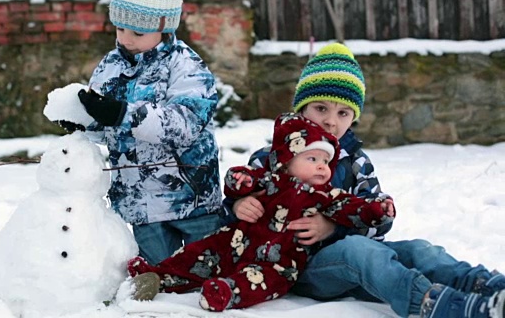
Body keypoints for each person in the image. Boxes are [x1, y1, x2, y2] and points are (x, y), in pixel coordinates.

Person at [225, 42, 505, 318]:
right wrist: (239, 204)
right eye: (320, 108)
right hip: (297, 267)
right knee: (360, 252)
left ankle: (488, 286)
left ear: (353, 117)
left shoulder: (356, 161)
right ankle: (439, 306)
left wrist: (334, 227)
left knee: (421, 250)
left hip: (351, 255)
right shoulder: (272, 157)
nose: (331, 121)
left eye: (342, 113)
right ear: (301, 108)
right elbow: (242, 199)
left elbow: (377, 223)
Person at [127, 113, 394, 312]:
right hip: (237, 241)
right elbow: (238, 180)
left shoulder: (323, 195)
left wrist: (377, 210)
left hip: (280, 261)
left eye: (326, 161)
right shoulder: (270, 179)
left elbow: (353, 208)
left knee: (260, 281)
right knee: (200, 253)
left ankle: (226, 294)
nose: (322, 168)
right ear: (287, 161)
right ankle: (157, 275)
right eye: (312, 159)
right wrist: (240, 184)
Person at [75, 0, 223, 265]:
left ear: (165, 26)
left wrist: (122, 114)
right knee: (162, 277)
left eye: (138, 32)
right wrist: (86, 122)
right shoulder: (110, 66)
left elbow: (186, 124)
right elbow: (110, 127)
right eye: (120, 29)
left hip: (190, 197)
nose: (126, 39)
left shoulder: (186, 66)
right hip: (140, 203)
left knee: (205, 271)